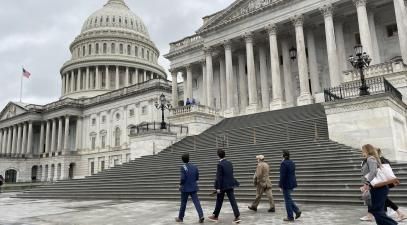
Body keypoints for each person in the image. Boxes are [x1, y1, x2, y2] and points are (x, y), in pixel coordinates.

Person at [360, 144, 398, 225]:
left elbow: (373, 171)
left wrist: (367, 183)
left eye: (363, 150)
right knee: (378, 211)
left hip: (378, 188)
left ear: (367, 150)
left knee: (376, 211)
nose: (362, 152)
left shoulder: (370, 159)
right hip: (376, 187)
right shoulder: (371, 158)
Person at [208, 149, 241, 224]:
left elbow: (219, 177)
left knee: (219, 201)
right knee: (233, 201)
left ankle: (215, 216)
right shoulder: (229, 163)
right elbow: (231, 173)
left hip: (222, 186)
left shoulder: (220, 164)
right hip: (230, 184)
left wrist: (218, 188)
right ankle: (237, 216)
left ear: (218, 156)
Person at [378, 149, 406, 222]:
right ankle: (386, 214)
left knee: (384, 198)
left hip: (382, 182)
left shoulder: (379, 161)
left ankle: (400, 213)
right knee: (383, 198)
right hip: (386, 182)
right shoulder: (385, 160)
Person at [175, 153, 204, 223]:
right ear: (189, 159)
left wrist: (180, 184)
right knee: (196, 202)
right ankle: (201, 216)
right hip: (193, 187)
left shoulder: (183, 167)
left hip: (185, 188)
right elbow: (197, 177)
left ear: (182, 160)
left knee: (183, 203)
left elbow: (183, 178)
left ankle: (180, 218)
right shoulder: (194, 166)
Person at [279, 150, 301, 222]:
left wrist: (280, 185)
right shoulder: (292, 162)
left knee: (287, 200)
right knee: (288, 198)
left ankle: (290, 217)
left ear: (283, 156)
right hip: (291, 183)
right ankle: (297, 211)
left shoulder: (283, 164)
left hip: (286, 184)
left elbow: (283, 176)